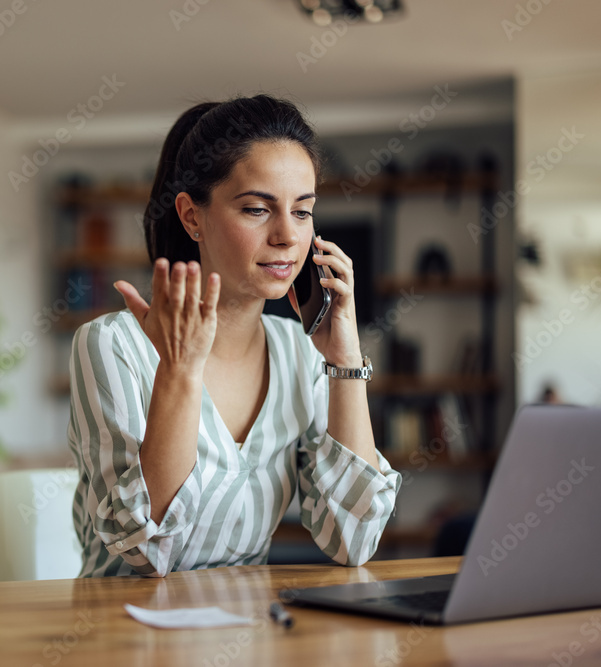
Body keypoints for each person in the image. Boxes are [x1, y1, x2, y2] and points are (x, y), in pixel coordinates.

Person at [66, 94, 401, 578]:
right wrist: (179, 373)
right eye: (257, 210)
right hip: (124, 636)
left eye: (303, 212)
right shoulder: (114, 346)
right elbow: (143, 552)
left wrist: (343, 359)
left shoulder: (298, 354)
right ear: (192, 216)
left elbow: (355, 540)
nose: (288, 235)